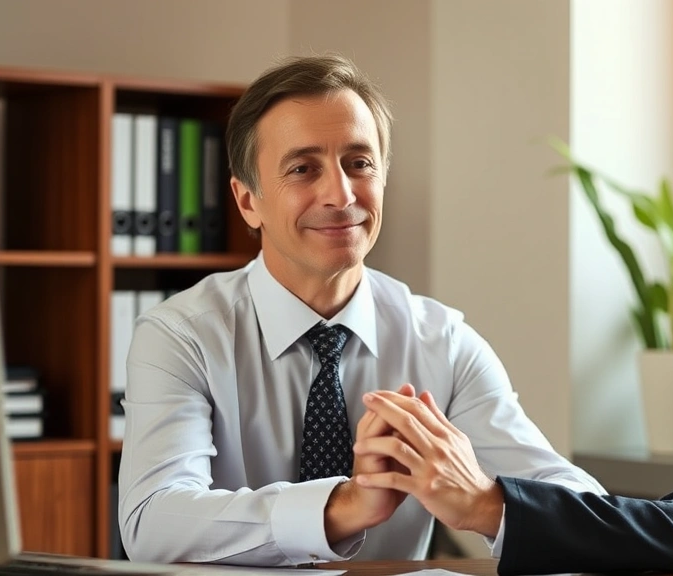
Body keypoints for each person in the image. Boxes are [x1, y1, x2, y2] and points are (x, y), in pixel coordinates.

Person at [116, 53, 605, 566]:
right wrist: (344, 506)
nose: (341, 194)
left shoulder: (444, 343)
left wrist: (482, 502)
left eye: (359, 163)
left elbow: (578, 506)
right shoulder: (181, 335)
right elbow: (152, 521)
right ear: (247, 202)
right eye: (303, 168)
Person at [354, 390, 673, 576]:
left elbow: (567, 487)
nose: (340, 212)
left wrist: (489, 504)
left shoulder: (444, 337)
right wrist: (337, 507)